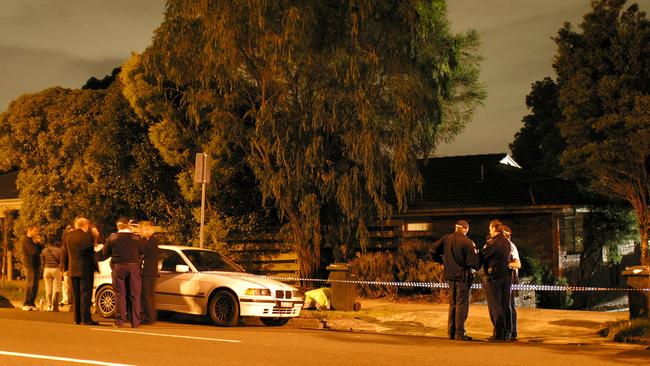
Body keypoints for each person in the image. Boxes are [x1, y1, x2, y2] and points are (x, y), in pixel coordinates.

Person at [432, 220, 480, 341]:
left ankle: (451, 332)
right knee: (461, 305)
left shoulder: (446, 239)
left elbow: (432, 249)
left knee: (452, 304)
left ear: (456, 228)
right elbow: (473, 263)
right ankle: (459, 333)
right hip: (463, 278)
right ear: (465, 229)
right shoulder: (468, 242)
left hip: (450, 276)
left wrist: (440, 261)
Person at [103, 218, 144, 328]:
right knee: (134, 294)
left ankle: (119, 321)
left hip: (118, 267)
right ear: (127, 226)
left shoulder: (113, 237)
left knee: (119, 294)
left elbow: (104, 253)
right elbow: (142, 250)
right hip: (133, 267)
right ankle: (135, 322)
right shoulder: (136, 238)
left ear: (118, 226)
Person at [62, 217, 99, 325]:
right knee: (85, 294)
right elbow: (90, 251)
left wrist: (65, 268)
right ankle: (85, 319)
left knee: (76, 294)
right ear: (86, 225)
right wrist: (95, 236)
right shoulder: (86, 236)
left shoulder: (68, 236)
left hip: (72, 268)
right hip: (85, 268)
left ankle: (76, 318)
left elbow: (65, 252)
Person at [480, 219, 512, 342]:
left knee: (495, 306)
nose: (489, 231)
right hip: (506, 277)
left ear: (494, 228)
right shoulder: (507, 242)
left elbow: (482, 256)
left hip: (494, 278)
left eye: (490, 229)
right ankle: (505, 333)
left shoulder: (492, 243)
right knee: (504, 305)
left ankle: (498, 334)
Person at [502, 225, 521, 341]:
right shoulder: (505, 245)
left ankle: (512, 332)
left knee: (509, 305)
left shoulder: (510, 246)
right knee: (506, 305)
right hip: (507, 277)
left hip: (511, 277)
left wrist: (504, 265)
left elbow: (517, 264)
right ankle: (508, 331)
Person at [139, 221, 159, 324]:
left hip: (148, 271)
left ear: (150, 230)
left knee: (147, 295)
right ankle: (147, 316)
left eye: (145, 229)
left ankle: (148, 317)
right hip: (149, 271)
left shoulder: (152, 241)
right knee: (146, 295)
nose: (143, 231)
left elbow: (143, 251)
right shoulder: (150, 240)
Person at [21, 225, 43, 311]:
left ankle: (31, 303)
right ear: (30, 231)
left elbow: (40, 249)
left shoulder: (33, 241)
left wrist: (39, 243)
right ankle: (26, 303)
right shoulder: (26, 240)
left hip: (36, 264)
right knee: (30, 284)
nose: (37, 233)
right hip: (30, 265)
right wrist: (37, 244)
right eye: (35, 231)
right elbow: (34, 251)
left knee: (35, 285)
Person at [40, 241, 63, 311]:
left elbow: (42, 261)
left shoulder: (44, 251)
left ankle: (49, 305)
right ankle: (55, 306)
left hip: (47, 269)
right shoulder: (59, 250)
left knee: (48, 288)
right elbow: (61, 260)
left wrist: (44, 267)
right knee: (56, 289)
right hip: (56, 269)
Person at [59, 224, 75, 308]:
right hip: (67, 267)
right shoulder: (65, 244)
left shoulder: (68, 243)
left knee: (69, 285)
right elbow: (63, 256)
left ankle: (69, 299)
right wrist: (63, 268)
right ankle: (66, 299)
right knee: (66, 284)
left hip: (71, 267)